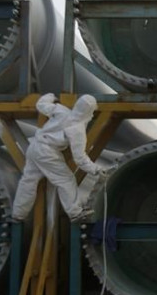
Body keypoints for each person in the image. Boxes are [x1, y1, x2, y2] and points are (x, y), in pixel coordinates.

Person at [11, 93, 103, 223]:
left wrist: (51, 96)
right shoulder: (77, 129)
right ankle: (75, 213)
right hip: (48, 153)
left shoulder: (62, 111)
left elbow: (41, 104)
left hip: (35, 146)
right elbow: (80, 158)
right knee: (66, 179)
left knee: (28, 181)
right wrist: (96, 169)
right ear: (89, 111)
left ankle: (18, 215)